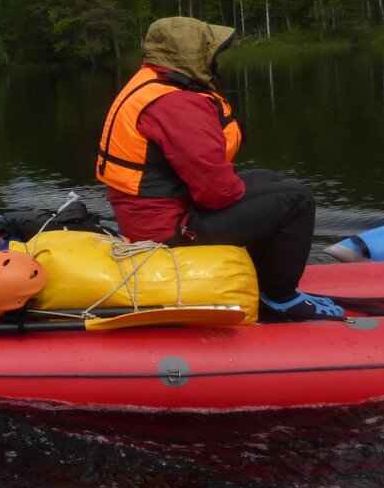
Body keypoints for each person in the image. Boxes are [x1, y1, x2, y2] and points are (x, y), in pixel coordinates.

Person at [95, 16, 343, 322]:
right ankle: (279, 299)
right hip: (168, 231)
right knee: (297, 200)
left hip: (152, 216)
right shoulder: (176, 104)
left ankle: (262, 280)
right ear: (193, 56)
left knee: (267, 180)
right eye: (210, 51)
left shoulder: (151, 85)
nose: (215, 59)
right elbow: (217, 193)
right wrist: (233, 187)